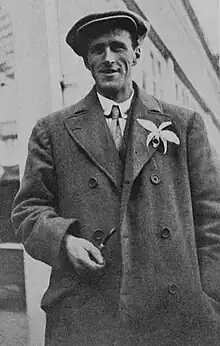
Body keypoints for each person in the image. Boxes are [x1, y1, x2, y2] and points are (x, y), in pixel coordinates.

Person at [11, 9, 220, 346]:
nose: (108, 59)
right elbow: (27, 211)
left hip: (172, 316)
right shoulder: (53, 130)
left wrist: (211, 303)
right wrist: (64, 241)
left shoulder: (183, 124)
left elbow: (212, 221)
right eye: (97, 50)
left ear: (136, 52)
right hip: (89, 313)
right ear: (85, 60)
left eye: (118, 47)